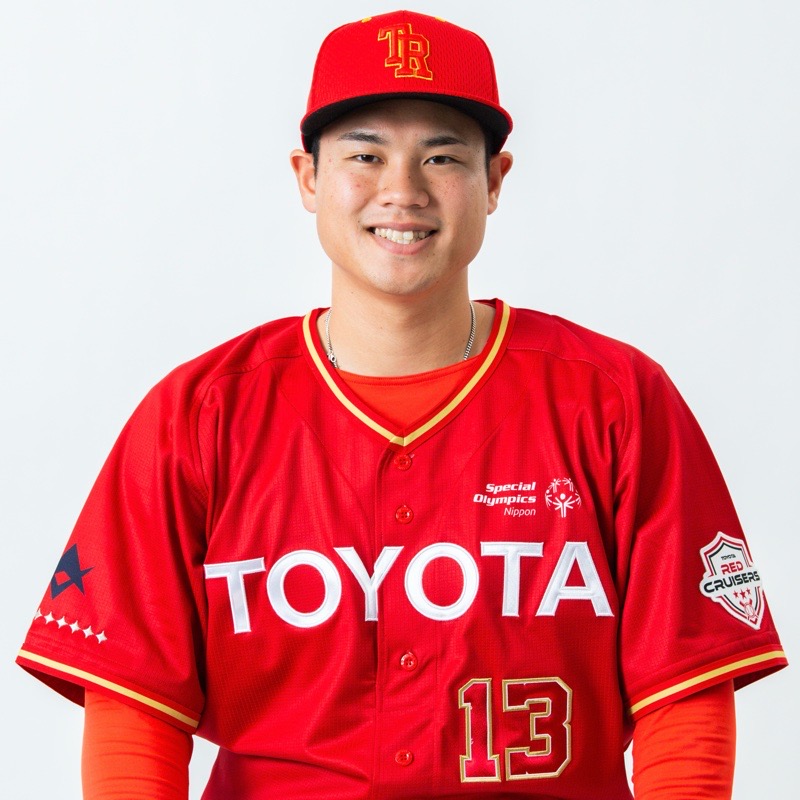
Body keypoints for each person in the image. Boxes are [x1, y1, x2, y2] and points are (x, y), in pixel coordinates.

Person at [17, 10, 786, 799]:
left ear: (494, 180)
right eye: (365, 155)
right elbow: (134, 713)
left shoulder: (615, 400)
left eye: (442, 157)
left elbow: (686, 697)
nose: (402, 191)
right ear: (308, 177)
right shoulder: (199, 414)